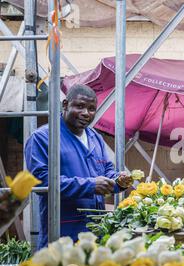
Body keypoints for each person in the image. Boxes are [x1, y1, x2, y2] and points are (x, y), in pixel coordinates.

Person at [25, 84, 133, 249]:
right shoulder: (43, 138)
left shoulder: (95, 137)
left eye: (91, 109)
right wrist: (90, 185)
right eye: (80, 106)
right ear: (65, 105)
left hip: (95, 234)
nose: (85, 113)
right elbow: (41, 182)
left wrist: (118, 180)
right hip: (63, 233)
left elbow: (106, 170)